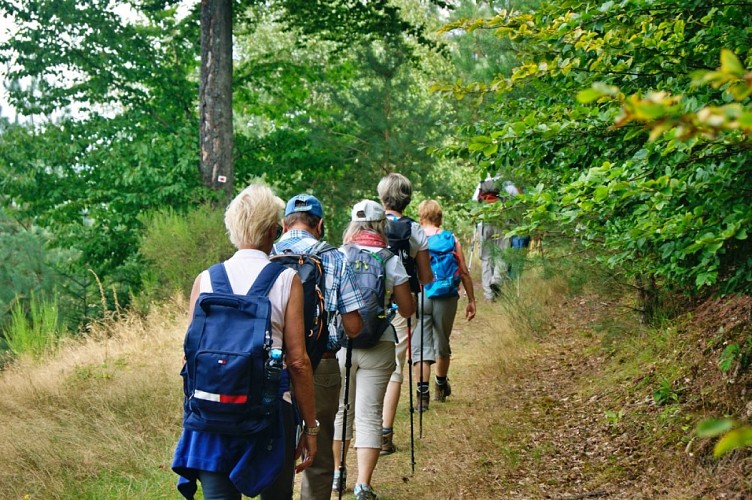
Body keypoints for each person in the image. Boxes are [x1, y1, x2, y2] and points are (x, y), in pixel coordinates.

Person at [172, 183, 318, 500]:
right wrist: (310, 427)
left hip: (212, 414)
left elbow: (190, 357)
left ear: (233, 229)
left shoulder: (205, 280)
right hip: (268, 413)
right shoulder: (285, 279)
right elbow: (297, 362)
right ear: (274, 230)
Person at [273, 193, 365, 500]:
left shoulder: (267, 255)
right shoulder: (336, 258)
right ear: (321, 225)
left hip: (275, 367)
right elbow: (353, 327)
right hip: (321, 363)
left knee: (279, 443)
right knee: (320, 449)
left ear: (284, 226)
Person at [331, 200, 416, 500]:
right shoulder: (389, 259)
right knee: (369, 414)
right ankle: (362, 485)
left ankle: (337, 473)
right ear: (382, 226)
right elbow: (407, 309)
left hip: (341, 344)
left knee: (341, 410)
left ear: (352, 224)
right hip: (379, 343)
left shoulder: (338, 256)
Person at [377, 173, 433, 452]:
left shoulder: (368, 223)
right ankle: (385, 433)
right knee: (395, 366)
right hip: (401, 304)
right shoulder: (415, 231)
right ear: (408, 198)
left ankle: (360, 426)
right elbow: (425, 277)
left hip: (365, 302)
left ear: (382, 196)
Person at [411, 200, 476, 408]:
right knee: (442, 341)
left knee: (421, 346)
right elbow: (463, 271)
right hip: (446, 296)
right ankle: (440, 385)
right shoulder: (450, 238)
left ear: (421, 216)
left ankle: (423, 395)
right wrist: (471, 300)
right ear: (439, 216)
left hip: (421, 295)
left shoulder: (414, 238)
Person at [472, 175, 521, 301]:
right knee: (502, 254)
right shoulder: (507, 182)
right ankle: (496, 280)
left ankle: (488, 295)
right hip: (502, 222)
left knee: (486, 258)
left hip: (484, 223)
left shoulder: (482, 183)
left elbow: (474, 201)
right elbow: (517, 199)